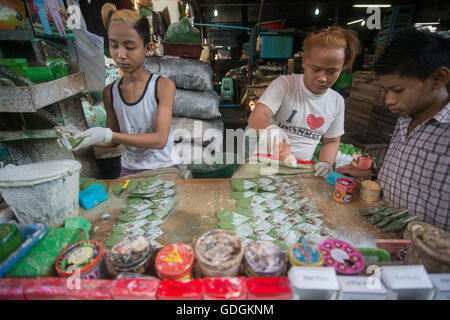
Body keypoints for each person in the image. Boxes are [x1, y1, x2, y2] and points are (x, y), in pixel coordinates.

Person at [337, 27, 449, 232]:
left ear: (439, 78)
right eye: (386, 91)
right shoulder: (405, 118)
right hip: (386, 232)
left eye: (397, 90)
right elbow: (407, 175)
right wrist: (370, 174)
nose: (388, 100)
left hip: (429, 251)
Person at [73, 3, 180, 177]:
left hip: (164, 169)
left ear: (147, 48)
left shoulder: (163, 86)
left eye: (129, 47)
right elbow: (112, 141)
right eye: (114, 46)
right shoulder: (110, 93)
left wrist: (109, 135)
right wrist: (84, 138)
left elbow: (160, 139)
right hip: (129, 171)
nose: (120, 55)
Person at [248, 26, 361, 177]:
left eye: (332, 71)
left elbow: (331, 141)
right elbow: (256, 116)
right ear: (304, 62)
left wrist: (326, 163)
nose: (322, 78)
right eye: (315, 69)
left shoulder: (337, 102)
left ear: (342, 68)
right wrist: (270, 129)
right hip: (265, 164)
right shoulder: (286, 85)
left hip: (300, 171)